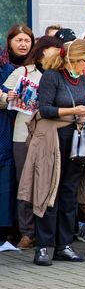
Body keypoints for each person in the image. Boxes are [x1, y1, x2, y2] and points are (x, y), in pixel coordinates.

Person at [24, 39, 85, 266]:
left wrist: (83, 113)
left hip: (75, 137)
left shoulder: (81, 78)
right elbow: (44, 109)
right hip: (53, 139)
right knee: (48, 190)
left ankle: (64, 245)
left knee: (69, 191)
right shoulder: (52, 76)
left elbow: (80, 102)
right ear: (73, 59)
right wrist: (74, 110)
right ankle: (44, 246)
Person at [4, 35, 63, 249]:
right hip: (23, 135)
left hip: (51, 136)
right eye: (54, 49)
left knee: (49, 183)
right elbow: (3, 94)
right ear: (43, 50)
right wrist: (8, 97)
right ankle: (27, 232)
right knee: (25, 184)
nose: (58, 53)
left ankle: (47, 232)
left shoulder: (59, 74)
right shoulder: (24, 72)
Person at [0, 24, 35, 242]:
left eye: (27, 41)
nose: (23, 45)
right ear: (9, 41)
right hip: (4, 125)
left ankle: (20, 227)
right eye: (18, 40)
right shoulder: (2, 64)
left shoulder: (35, 67)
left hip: (26, 129)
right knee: (6, 176)